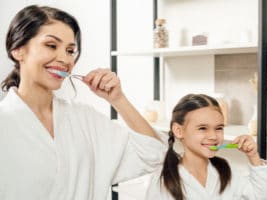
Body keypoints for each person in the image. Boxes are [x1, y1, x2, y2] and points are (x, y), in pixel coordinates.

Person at [0, 5, 166, 200]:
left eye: (70, 51)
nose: (64, 59)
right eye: (51, 46)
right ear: (18, 50)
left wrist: (118, 99)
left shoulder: (85, 118)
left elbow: (153, 153)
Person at [146, 94, 267, 200]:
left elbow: (263, 198)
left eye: (219, 128)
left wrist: (254, 157)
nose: (213, 136)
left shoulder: (227, 170)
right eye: (202, 128)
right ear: (178, 131)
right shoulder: (162, 180)